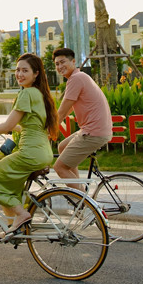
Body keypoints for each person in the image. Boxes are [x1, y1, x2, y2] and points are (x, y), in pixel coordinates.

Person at [0, 53, 59, 237]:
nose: (19, 74)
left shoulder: (26, 93)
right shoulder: (39, 94)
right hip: (43, 152)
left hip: (30, 153)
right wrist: (12, 128)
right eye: (17, 70)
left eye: (25, 70)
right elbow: (28, 125)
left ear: (36, 74)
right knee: (9, 187)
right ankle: (13, 229)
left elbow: (7, 125)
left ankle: (22, 214)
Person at [52, 47, 112, 189]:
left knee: (60, 167)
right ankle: (77, 190)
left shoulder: (76, 79)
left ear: (73, 61)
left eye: (63, 62)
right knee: (62, 147)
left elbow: (62, 112)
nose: (60, 66)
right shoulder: (80, 77)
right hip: (94, 130)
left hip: (92, 133)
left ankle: (82, 199)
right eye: (57, 64)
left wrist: (49, 130)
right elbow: (69, 109)